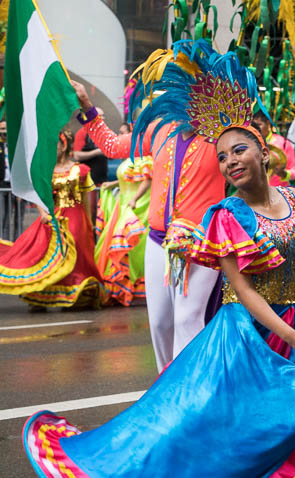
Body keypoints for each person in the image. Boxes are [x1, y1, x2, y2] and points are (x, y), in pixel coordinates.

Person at [21, 124, 295, 478]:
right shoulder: (226, 215)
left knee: (281, 415)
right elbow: (243, 290)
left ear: (263, 151)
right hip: (243, 335)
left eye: (239, 150)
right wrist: (292, 336)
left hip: (293, 318)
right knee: (201, 423)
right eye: (222, 157)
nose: (230, 162)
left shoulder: (294, 199)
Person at [69, 40, 253, 372]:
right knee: (160, 324)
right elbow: (112, 146)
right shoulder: (159, 128)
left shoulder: (221, 135)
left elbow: (250, 156)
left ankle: (190, 395)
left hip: (199, 243)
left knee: (188, 319)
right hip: (158, 241)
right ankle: (165, 391)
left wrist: (240, 132)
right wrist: (86, 104)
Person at [0, 131, 107, 310]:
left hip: (76, 216)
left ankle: (74, 294)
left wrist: (89, 223)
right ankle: (40, 295)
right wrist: (43, 213)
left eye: (55, 145)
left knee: (77, 255)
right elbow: (38, 195)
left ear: (64, 146)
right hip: (52, 216)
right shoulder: (45, 170)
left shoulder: (80, 170)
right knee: (40, 254)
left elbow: (86, 199)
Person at [94, 150, 152, 306]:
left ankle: (127, 287)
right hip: (124, 206)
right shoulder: (129, 159)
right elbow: (125, 180)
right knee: (117, 245)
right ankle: (119, 288)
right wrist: (111, 184)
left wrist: (134, 199)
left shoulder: (145, 160)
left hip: (138, 209)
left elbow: (147, 180)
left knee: (131, 248)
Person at [72, 107, 109, 185]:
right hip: (86, 181)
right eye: (99, 116)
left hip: (102, 180)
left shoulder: (105, 133)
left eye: (103, 116)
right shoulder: (82, 132)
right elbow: (77, 156)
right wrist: (97, 152)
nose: (102, 118)